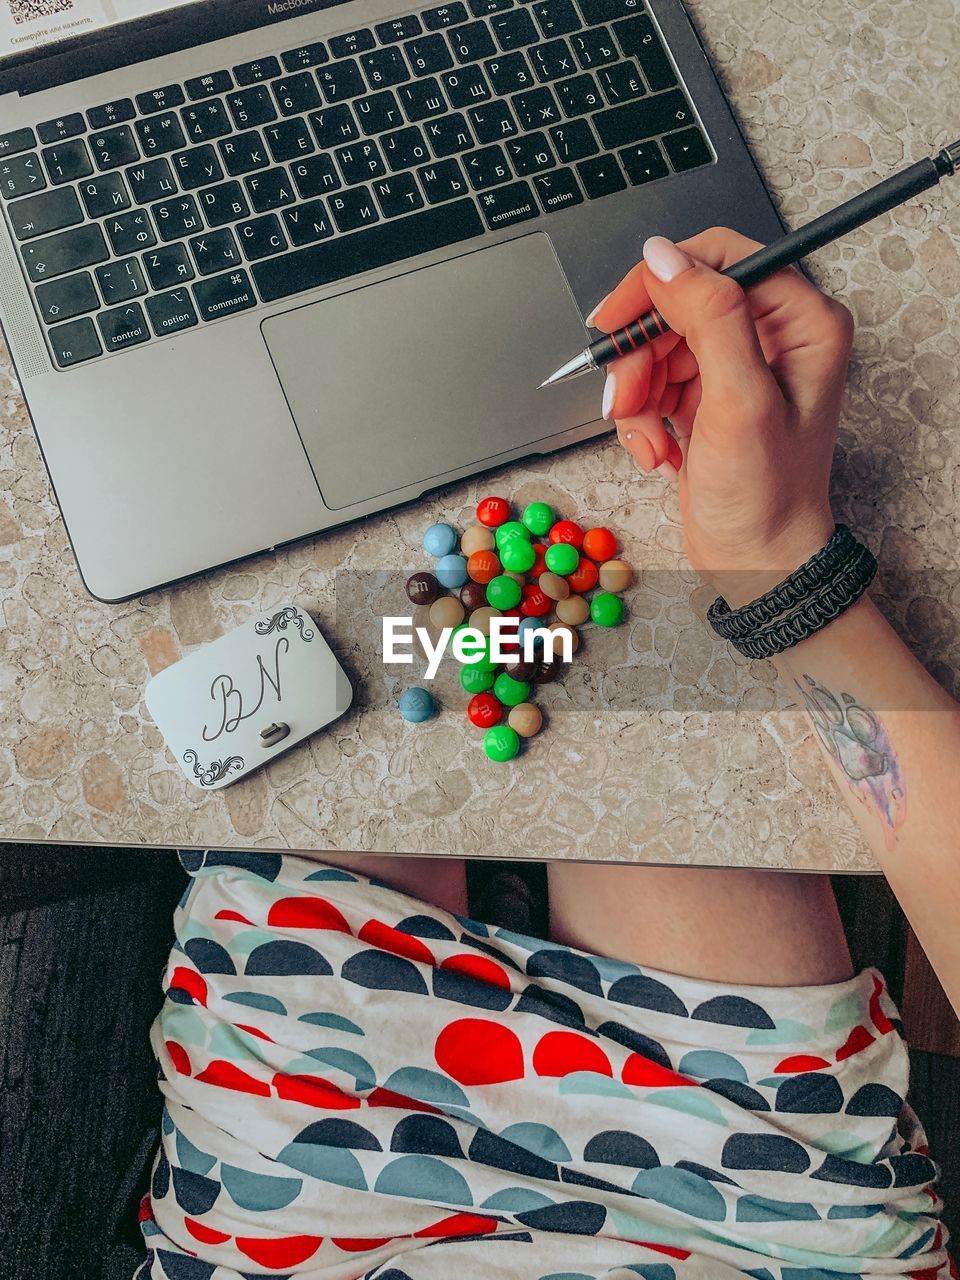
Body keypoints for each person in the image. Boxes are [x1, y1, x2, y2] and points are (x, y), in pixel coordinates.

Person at [138, 229, 958, 1280]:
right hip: (767, 1217)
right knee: (614, 658)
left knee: (379, 696)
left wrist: (778, 567)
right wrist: (778, 569)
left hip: (316, 1217)